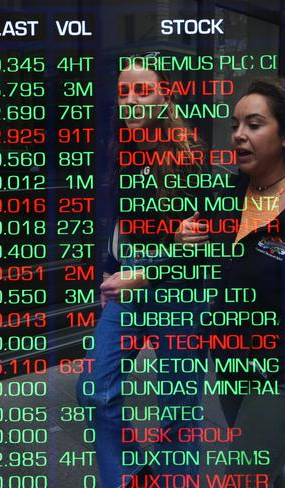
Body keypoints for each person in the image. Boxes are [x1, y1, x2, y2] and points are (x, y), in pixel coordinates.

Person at [177, 78, 285, 487]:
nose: (239, 134)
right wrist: (181, 244)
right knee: (266, 473)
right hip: (231, 365)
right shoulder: (231, 193)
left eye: (254, 124)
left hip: (284, 376)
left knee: (242, 477)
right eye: (236, 124)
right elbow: (210, 260)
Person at [76, 54, 212, 488]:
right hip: (130, 286)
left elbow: (198, 246)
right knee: (94, 387)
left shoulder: (189, 155)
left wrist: (149, 265)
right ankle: (134, 474)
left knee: (178, 406)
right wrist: (112, 269)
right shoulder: (120, 151)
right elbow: (122, 225)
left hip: (180, 293)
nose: (132, 101)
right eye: (124, 92)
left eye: (143, 90)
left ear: (164, 94)